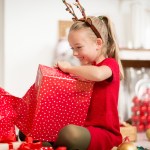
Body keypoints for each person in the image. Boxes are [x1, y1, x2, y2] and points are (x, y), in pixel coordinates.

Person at [52, 14, 124, 150]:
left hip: (105, 133)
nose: (74, 53)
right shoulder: (85, 70)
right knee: (35, 129)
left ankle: (52, 143)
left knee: (70, 134)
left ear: (98, 43)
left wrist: (69, 68)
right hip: (85, 128)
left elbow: (97, 74)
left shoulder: (110, 65)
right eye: (72, 48)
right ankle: (50, 142)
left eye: (78, 47)